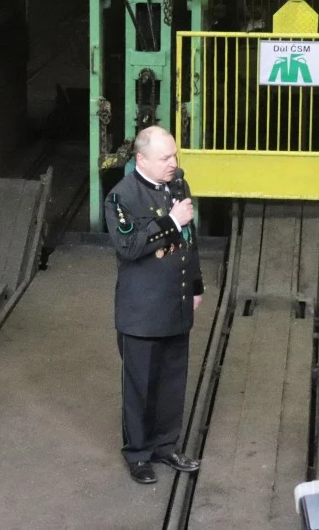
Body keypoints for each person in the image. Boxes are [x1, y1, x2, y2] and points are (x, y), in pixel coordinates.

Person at [104, 126, 203, 485]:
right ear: (141, 160)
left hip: (176, 304)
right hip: (142, 312)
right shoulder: (121, 197)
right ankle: (138, 454)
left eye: (174, 155)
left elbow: (190, 240)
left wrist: (195, 285)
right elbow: (129, 247)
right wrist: (172, 221)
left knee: (172, 381)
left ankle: (165, 445)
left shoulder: (177, 185)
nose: (173, 163)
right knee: (141, 387)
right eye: (165, 158)